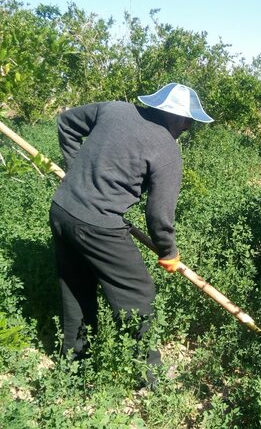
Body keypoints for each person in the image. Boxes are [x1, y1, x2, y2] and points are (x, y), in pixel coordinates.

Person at [49, 83, 213, 384]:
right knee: (138, 293)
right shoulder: (167, 150)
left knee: (75, 287)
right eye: (189, 121)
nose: (188, 127)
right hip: (98, 226)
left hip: (61, 210)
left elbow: (66, 123)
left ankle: (73, 366)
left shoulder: (113, 109)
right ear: (175, 117)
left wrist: (75, 174)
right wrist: (169, 253)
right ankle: (150, 375)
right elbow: (159, 215)